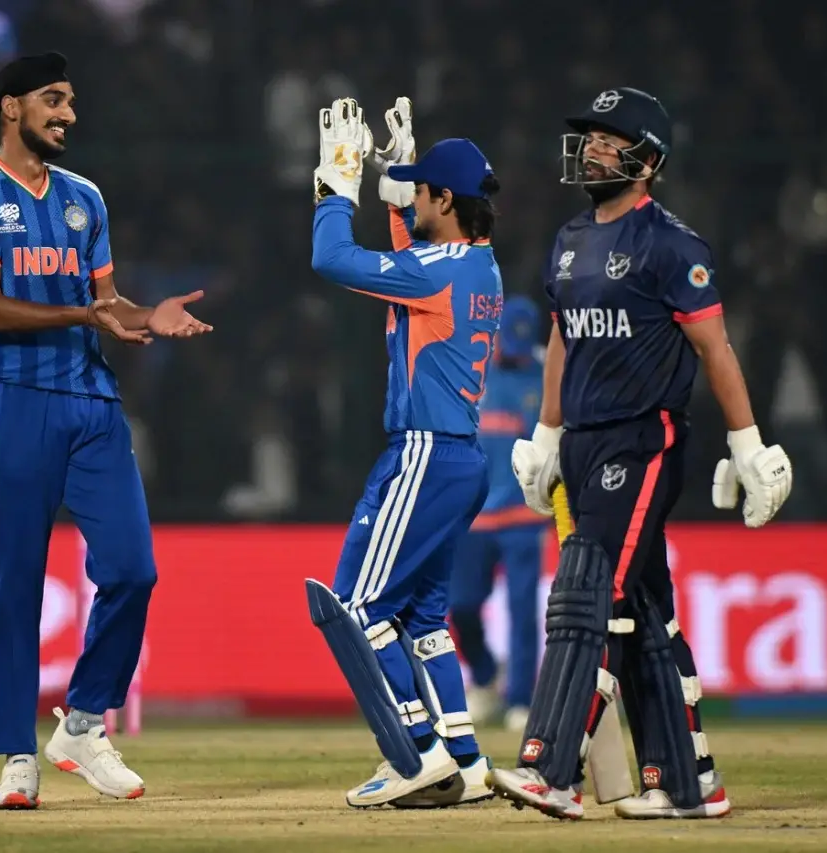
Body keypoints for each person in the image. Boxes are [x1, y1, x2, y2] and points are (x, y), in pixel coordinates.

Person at [488, 87, 792, 820]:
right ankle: (689, 783)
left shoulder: (673, 244)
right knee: (648, 611)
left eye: (610, 139)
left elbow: (714, 347)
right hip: (585, 443)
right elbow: (564, 337)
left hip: (643, 439)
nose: (593, 149)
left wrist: (748, 443)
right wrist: (547, 434)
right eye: (589, 137)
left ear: (647, 161)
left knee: (589, 591)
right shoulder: (568, 240)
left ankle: (552, 769)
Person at [0, 51, 212, 810]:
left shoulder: (84, 198)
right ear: (11, 107)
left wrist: (146, 313)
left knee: (132, 570)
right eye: (53, 100)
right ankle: (16, 756)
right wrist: (87, 316)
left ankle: (84, 724)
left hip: (92, 402)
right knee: (15, 586)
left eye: (70, 101)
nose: (69, 114)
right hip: (14, 402)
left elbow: (108, 303)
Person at [305, 96, 502, 808]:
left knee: (356, 607)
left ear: (445, 200)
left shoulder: (438, 269)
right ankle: (466, 760)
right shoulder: (476, 266)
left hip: (423, 454)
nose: (413, 198)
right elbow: (411, 262)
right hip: (460, 459)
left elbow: (331, 258)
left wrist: (335, 186)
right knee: (420, 619)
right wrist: (396, 196)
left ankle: (417, 753)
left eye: (421, 192)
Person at [449, 295, 547, 732]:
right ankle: (486, 676)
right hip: (473, 515)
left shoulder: (544, 376)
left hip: (524, 516)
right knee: (461, 607)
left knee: (523, 612)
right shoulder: (471, 369)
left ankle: (521, 699)